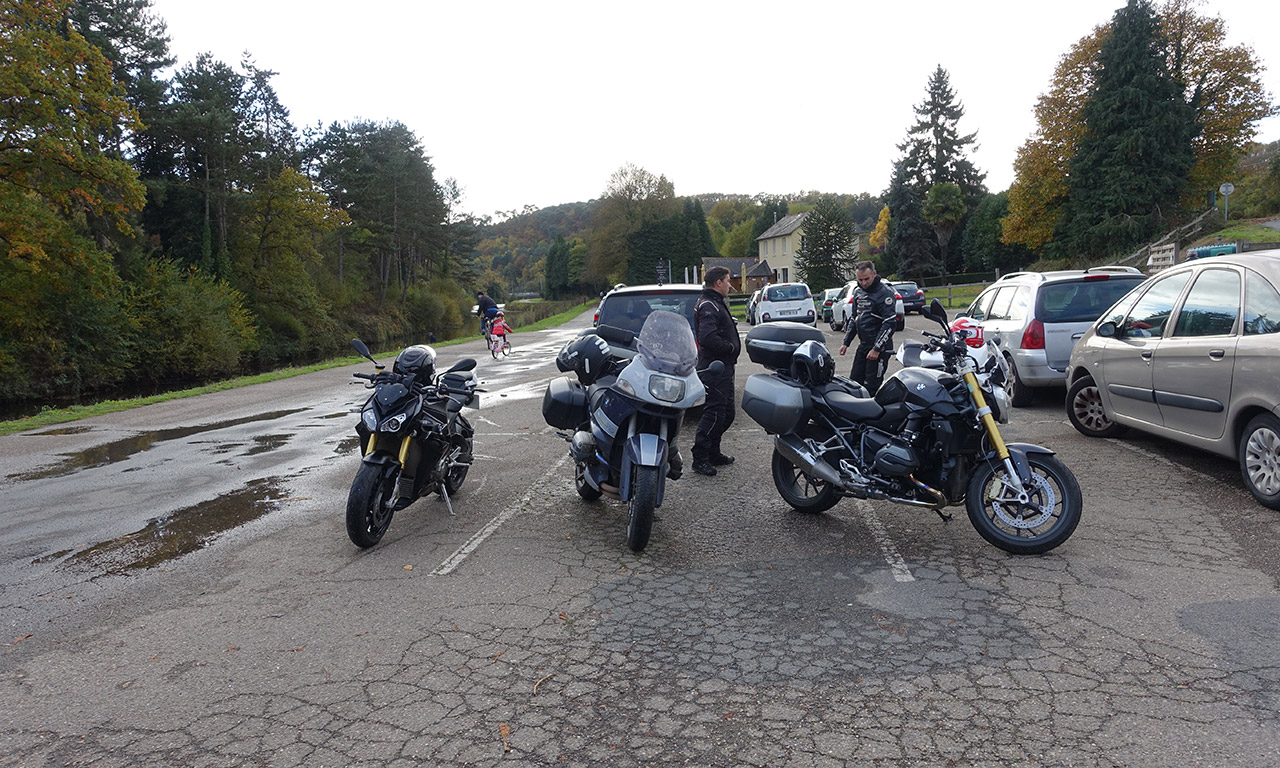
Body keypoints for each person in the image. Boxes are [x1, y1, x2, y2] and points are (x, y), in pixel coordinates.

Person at [691, 266, 741, 477]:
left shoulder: (714, 302)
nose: (730, 285)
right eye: (728, 281)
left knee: (727, 413)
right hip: (714, 368)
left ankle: (713, 452)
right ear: (718, 282)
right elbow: (707, 338)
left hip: (723, 368)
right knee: (714, 413)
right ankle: (699, 457)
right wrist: (729, 348)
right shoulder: (709, 305)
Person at [838, 261, 897, 396]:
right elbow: (854, 319)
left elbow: (890, 323)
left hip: (880, 348)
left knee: (871, 385)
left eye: (867, 279)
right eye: (860, 279)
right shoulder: (858, 292)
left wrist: (876, 348)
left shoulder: (885, 293)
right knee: (854, 383)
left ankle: (872, 415)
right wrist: (846, 342)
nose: (864, 283)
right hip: (864, 345)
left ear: (874, 274)